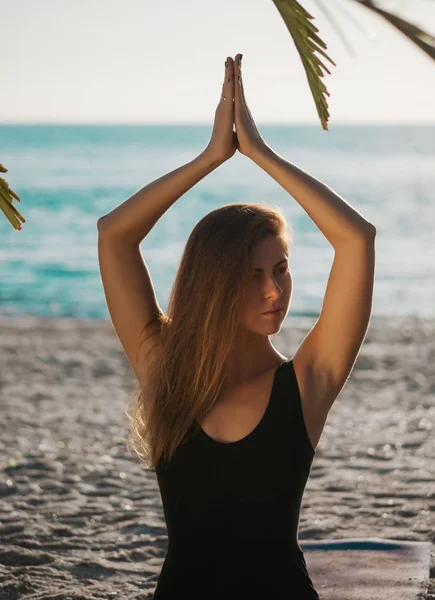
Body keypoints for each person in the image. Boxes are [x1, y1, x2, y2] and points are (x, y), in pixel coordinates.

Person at [97, 54, 376, 599]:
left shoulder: (306, 383)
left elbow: (356, 239)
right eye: (252, 277)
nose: (274, 291)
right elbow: (114, 236)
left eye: (281, 268)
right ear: (213, 284)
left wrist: (260, 152)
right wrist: (211, 156)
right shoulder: (165, 371)